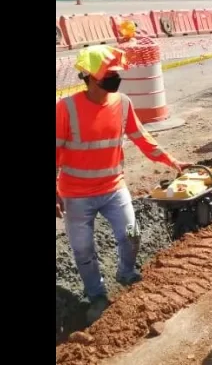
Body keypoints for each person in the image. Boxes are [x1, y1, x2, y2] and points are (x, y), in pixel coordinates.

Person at [56, 46, 189, 323]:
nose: (116, 77)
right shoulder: (65, 109)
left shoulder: (123, 103)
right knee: (83, 250)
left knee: (131, 233)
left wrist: (171, 161)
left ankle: (126, 273)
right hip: (76, 195)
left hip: (113, 188)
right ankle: (96, 294)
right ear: (91, 77)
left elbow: (141, 137)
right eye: (111, 73)